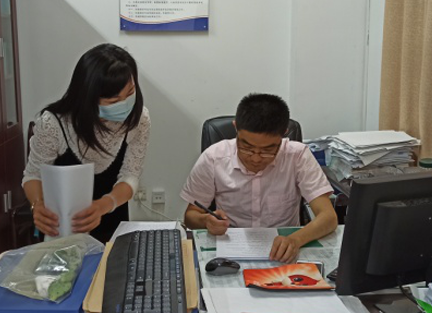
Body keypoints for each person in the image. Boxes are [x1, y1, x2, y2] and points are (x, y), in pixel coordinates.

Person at [181, 93, 337, 263]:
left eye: (268, 150)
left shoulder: (298, 156)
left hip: (283, 251)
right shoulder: (214, 157)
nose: (255, 158)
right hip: (230, 250)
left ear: (284, 134)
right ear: (236, 127)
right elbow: (190, 216)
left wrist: (295, 240)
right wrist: (206, 221)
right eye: (246, 147)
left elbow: (328, 217)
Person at [22, 44, 150, 243]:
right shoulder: (54, 124)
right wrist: (37, 205)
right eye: (113, 100)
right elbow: (32, 175)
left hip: (113, 225)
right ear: (88, 96)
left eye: (130, 92)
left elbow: (130, 175)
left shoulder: (138, 119)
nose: (125, 103)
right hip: (62, 231)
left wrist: (104, 205)